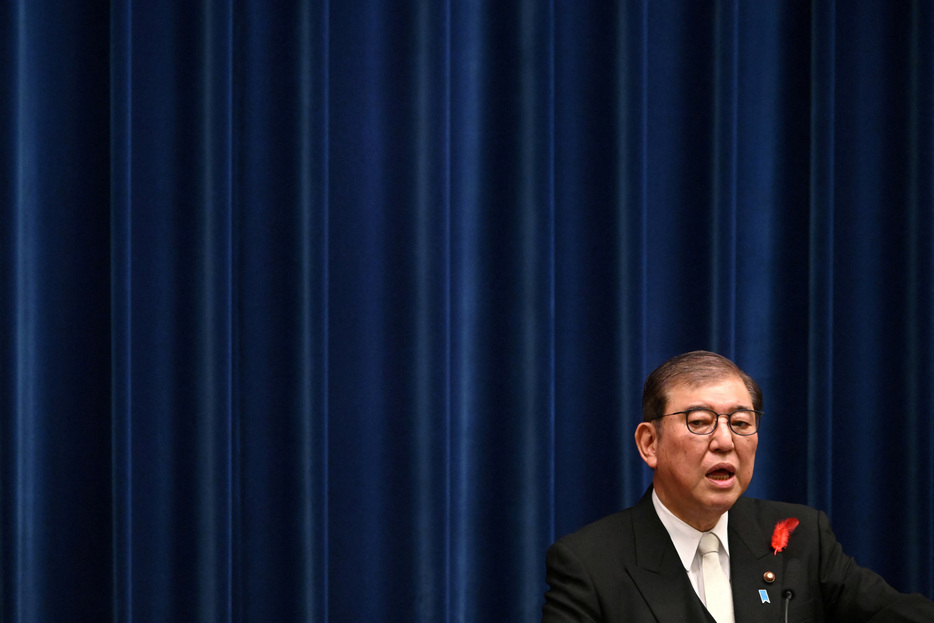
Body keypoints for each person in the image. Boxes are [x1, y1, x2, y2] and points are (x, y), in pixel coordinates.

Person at [541, 350, 934, 622]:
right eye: (699, 421)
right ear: (650, 443)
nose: (725, 441)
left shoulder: (802, 537)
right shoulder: (589, 564)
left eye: (741, 423)